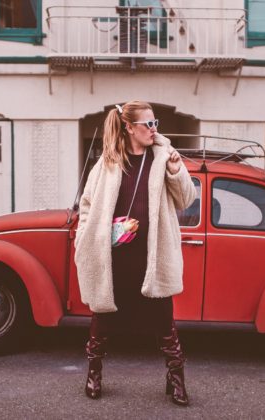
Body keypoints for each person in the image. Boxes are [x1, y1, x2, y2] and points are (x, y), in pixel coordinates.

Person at [74, 101, 196, 406]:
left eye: (156, 123)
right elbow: (87, 205)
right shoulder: (108, 163)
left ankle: (176, 378)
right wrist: (84, 238)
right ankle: (94, 373)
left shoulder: (163, 157)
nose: (154, 130)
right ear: (129, 127)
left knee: (164, 322)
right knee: (102, 319)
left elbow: (186, 200)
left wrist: (175, 170)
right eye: (147, 124)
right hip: (114, 255)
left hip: (151, 256)